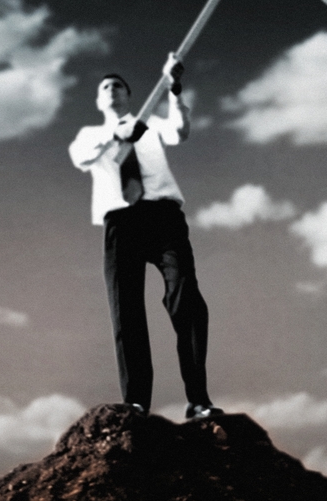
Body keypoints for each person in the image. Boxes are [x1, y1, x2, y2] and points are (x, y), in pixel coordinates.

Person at [69, 54, 222, 420]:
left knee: (186, 299)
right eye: (104, 86)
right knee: (127, 311)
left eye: (117, 84)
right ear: (98, 100)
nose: (111, 89)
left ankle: (198, 400)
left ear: (129, 94)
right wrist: (115, 134)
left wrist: (173, 89)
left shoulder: (151, 124)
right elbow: (83, 158)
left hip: (164, 216)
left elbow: (180, 132)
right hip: (121, 222)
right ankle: (136, 401)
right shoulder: (89, 135)